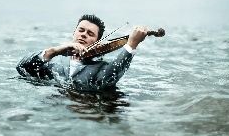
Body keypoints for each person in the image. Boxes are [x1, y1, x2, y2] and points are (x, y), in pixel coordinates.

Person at [16, 14, 148, 91]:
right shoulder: (54, 61)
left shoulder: (101, 68)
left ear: (98, 41)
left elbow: (110, 78)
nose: (84, 35)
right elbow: (22, 68)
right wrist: (54, 51)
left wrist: (131, 44)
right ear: (74, 33)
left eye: (90, 33)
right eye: (81, 30)